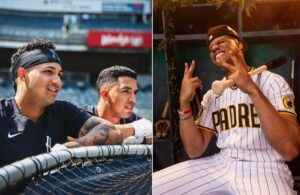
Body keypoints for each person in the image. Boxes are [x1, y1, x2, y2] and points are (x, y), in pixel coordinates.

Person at [153, 25, 300, 195]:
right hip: (222, 163)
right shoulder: (213, 95)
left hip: (264, 166)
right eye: (211, 48)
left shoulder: (272, 82)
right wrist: (184, 103)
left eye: (221, 41)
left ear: (239, 45)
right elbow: (195, 150)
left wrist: (252, 90)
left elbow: (290, 150)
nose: (214, 47)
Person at [0, 39, 123, 193]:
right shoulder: (2, 114)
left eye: (59, 74)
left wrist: (70, 149)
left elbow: (113, 132)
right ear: (23, 75)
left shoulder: (63, 110)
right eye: (48, 71)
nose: (57, 81)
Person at [83, 65, 152, 144]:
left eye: (135, 93)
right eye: (126, 91)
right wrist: (133, 131)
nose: (133, 100)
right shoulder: (81, 115)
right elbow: (89, 133)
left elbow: (149, 128)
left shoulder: (132, 119)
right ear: (105, 94)